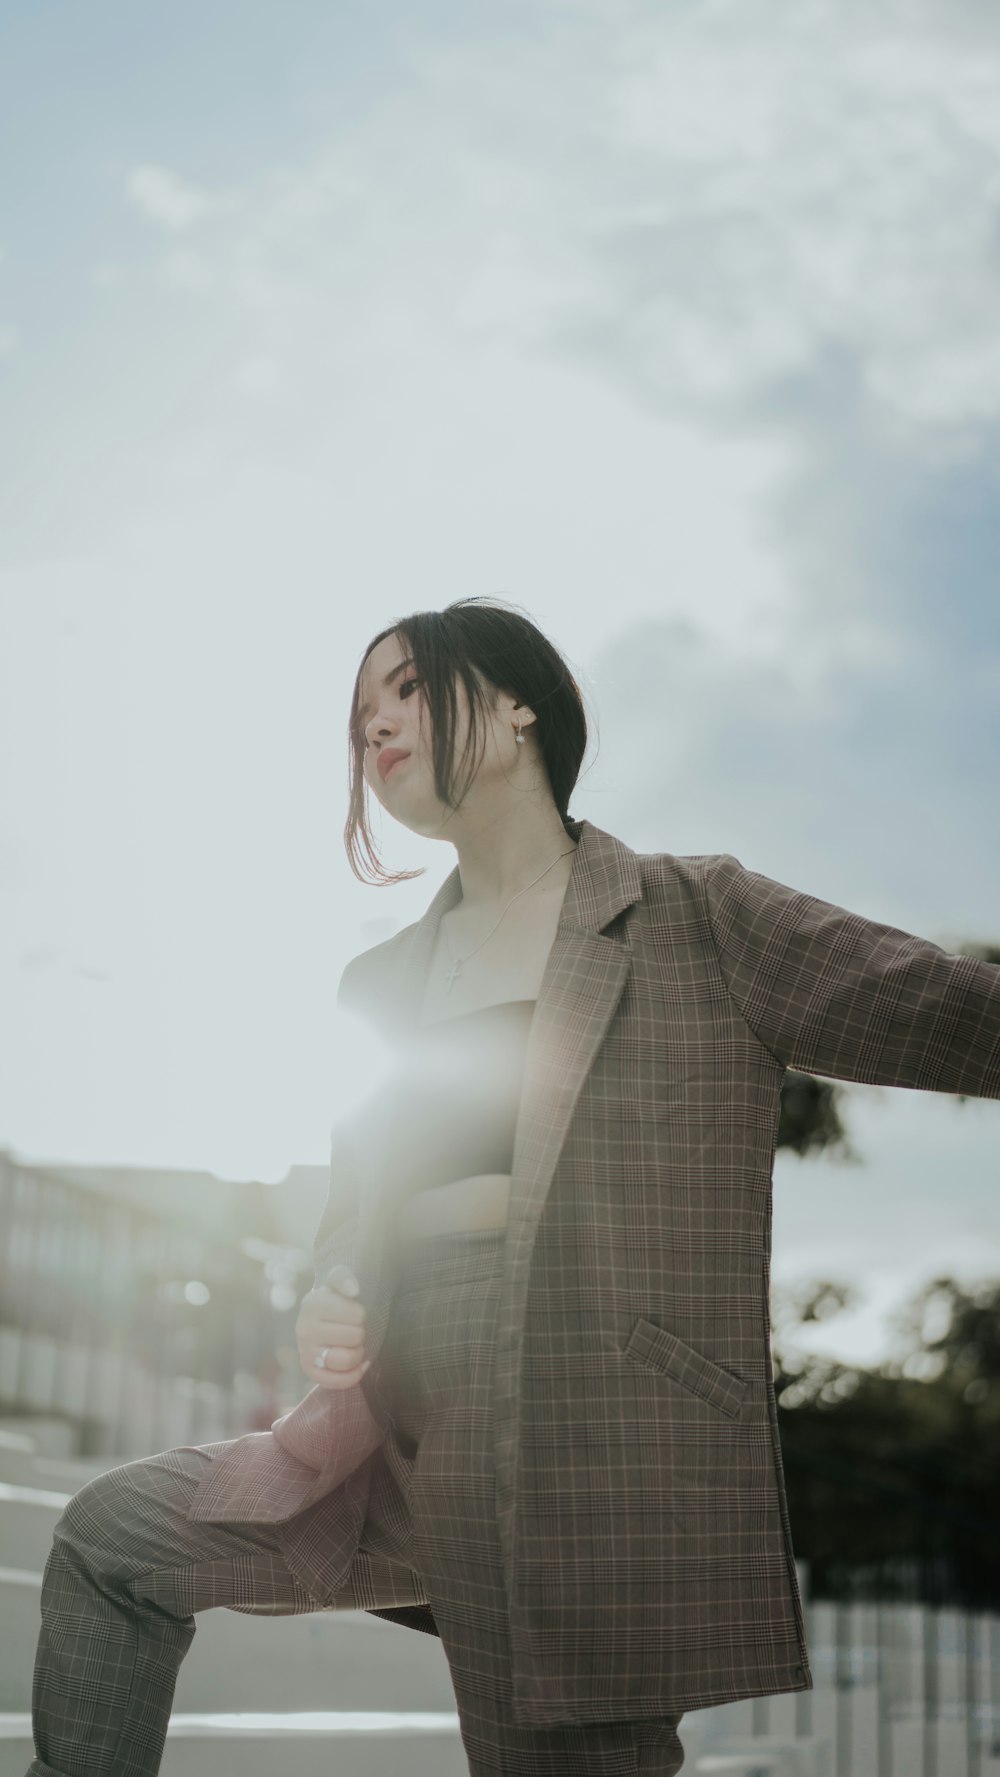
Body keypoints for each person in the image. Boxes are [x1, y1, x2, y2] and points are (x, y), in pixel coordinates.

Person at [27, 598, 1000, 1777]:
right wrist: (330, 1288)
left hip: (575, 1425)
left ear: (516, 700)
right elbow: (355, 1211)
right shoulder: (378, 981)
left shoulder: (695, 912)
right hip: (386, 1429)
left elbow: (947, 1012)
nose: (374, 724)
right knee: (109, 1541)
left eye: (407, 686)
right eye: (359, 711)